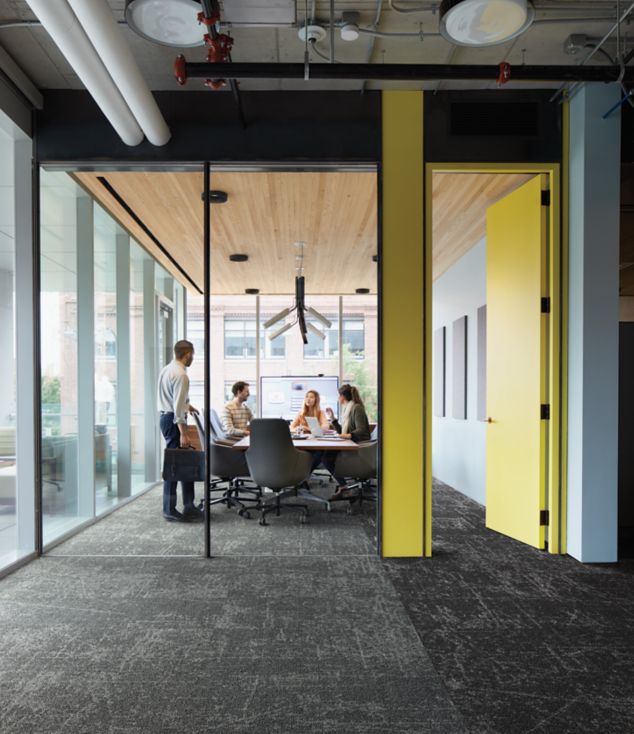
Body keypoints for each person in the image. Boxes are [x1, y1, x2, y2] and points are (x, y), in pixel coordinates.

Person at [157, 340, 202, 522]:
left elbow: (173, 397)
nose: (193, 358)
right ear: (188, 354)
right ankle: (169, 509)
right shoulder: (182, 374)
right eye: (193, 354)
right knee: (174, 467)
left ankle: (189, 506)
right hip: (173, 421)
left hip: (166, 418)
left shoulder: (167, 370)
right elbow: (176, 407)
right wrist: (183, 432)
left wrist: (187, 405)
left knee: (183, 464)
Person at [322, 384, 371, 500]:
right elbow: (342, 431)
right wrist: (333, 419)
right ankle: (343, 486)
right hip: (351, 444)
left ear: (343, 396)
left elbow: (362, 430)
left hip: (360, 447)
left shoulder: (356, 408)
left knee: (326, 457)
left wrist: (348, 435)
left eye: (339, 396)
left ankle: (344, 486)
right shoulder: (348, 408)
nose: (338, 398)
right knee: (325, 455)